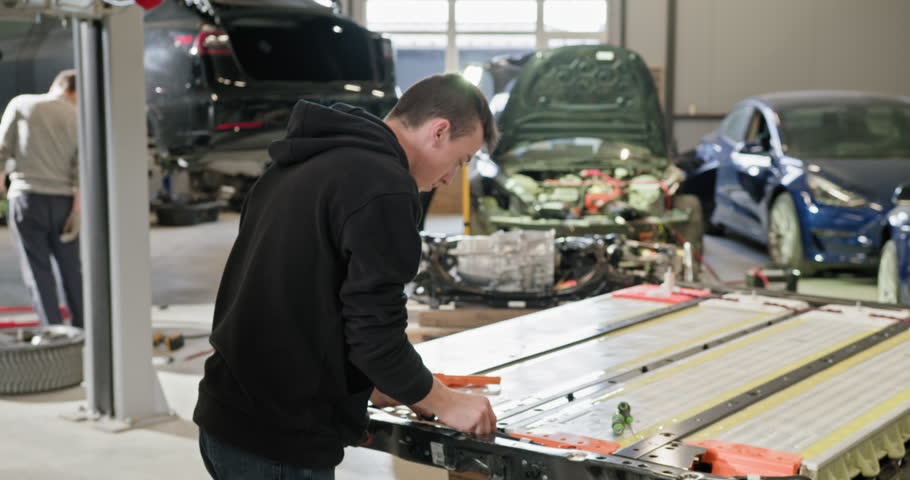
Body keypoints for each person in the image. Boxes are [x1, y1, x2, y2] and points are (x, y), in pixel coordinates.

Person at [193, 74, 499, 479]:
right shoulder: (386, 187)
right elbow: (375, 334)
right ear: (439, 132)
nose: (450, 179)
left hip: (227, 414)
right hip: (281, 439)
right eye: (461, 161)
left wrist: (363, 381)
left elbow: (297, 293)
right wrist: (445, 402)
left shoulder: (302, 160)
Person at [0, 70, 82, 328]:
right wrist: (76, 211)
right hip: (64, 202)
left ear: (56, 85)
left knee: (38, 271)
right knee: (71, 270)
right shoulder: (78, 116)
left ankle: (54, 331)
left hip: (26, 199)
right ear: (73, 92)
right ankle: (82, 329)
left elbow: (1, 151)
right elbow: (81, 170)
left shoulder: (22, 104)